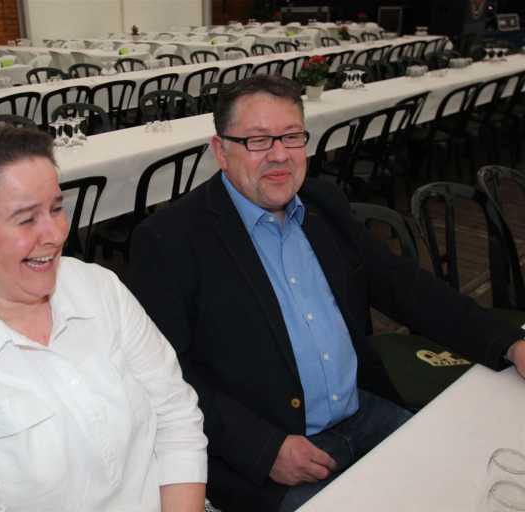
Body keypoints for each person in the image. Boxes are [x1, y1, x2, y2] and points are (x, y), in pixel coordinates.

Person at [127, 75, 525, 511]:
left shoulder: (322, 203)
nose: (280, 155)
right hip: (272, 453)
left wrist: (508, 342)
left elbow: (405, 286)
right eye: (258, 140)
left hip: (363, 411)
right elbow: (166, 377)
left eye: (292, 136)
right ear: (221, 151)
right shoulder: (170, 240)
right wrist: (263, 449)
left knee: (467, 484)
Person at [0, 125, 208, 511]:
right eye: (26, 219)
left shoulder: (96, 287)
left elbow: (176, 415)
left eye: (56, 208)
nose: (57, 234)